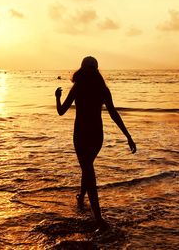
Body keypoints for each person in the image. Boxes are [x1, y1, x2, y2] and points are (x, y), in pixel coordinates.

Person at [55, 56, 136, 229]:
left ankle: (98, 218)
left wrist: (57, 97)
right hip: (97, 135)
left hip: (81, 135)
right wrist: (128, 136)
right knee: (88, 167)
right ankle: (81, 197)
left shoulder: (78, 88)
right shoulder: (102, 89)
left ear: (82, 69)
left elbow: (61, 111)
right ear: (96, 69)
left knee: (88, 170)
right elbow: (113, 114)